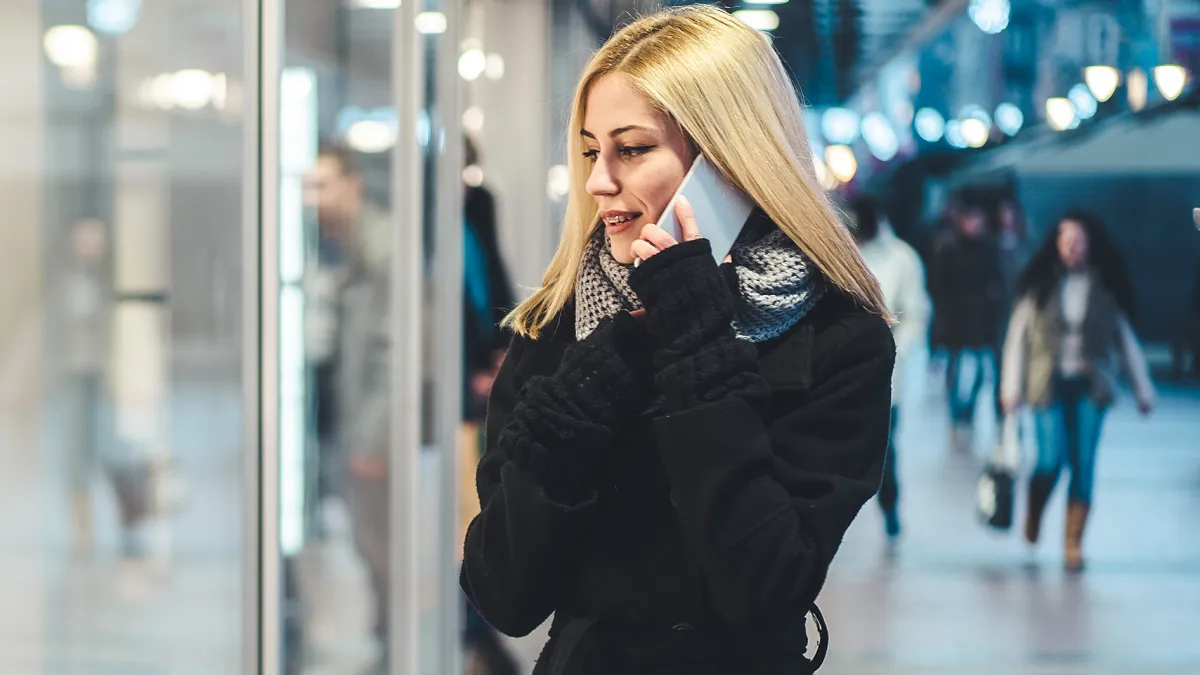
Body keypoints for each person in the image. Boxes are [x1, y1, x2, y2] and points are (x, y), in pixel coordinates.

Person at [460, 7, 896, 675]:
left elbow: (764, 584)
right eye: (588, 150)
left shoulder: (839, 335)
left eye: (630, 149)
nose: (599, 179)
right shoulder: (558, 323)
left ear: (728, 162)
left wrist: (697, 334)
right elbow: (503, 591)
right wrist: (613, 357)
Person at [1000, 209, 1155, 572]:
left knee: (1083, 464)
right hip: (1046, 383)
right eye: (1066, 239)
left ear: (1091, 245)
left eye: (1079, 240)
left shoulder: (1104, 287)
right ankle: (1036, 506)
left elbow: (1125, 340)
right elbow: (1017, 339)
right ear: (1055, 243)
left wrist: (1143, 389)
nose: (1072, 247)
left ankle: (1073, 544)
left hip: (1091, 386)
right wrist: (1010, 388)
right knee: (1050, 459)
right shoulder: (1037, 285)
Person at [849, 195, 931, 540]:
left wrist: (897, 349)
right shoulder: (836, 250)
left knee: (883, 447)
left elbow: (916, 313)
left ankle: (890, 508)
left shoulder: (901, 259)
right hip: (839, 363)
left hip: (884, 368)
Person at [928, 193, 1004, 452]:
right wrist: (943, 320)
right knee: (957, 370)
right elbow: (940, 287)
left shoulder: (989, 249)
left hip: (982, 319)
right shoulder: (949, 250)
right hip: (957, 319)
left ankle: (967, 410)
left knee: (982, 373)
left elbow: (996, 283)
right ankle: (956, 414)